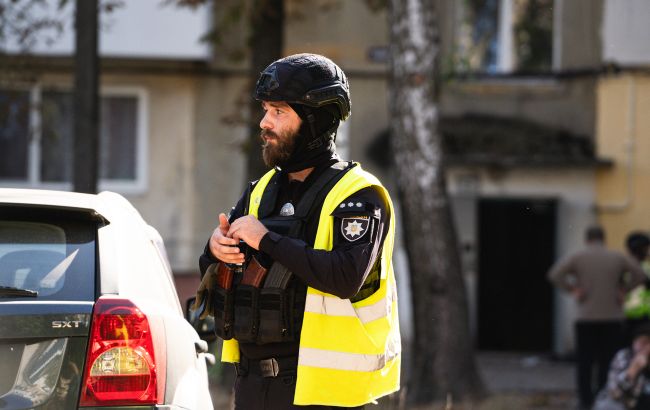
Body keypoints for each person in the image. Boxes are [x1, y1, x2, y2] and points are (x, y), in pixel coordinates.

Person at [194, 53, 400, 409]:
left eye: (279, 112)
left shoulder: (359, 195)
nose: (264, 122)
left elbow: (345, 277)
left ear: (317, 120)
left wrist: (266, 239)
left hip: (327, 396)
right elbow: (214, 274)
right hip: (252, 387)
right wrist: (214, 250)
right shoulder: (260, 191)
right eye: (265, 110)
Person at [547, 226, 647, 410]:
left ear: (587, 240)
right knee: (607, 360)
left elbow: (554, 274)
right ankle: (604, 394)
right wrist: (623, 290)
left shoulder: (577, 256)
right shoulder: (616, 257)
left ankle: (585, 400)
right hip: (612, 317)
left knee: (585, 361)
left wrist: (573, 289)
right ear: (604, 239)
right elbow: (640, 275)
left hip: (586, 317)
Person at [593, 323, 650, 410]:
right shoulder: (623, 356)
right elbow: (615, 393)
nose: (645, 347)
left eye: (647, 343)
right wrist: (634, 369)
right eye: (642, 342)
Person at [624, 232, 650, 335]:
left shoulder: (622, 267)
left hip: (640, 316)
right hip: (635, 317)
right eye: (646, 248)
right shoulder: (625, 267)